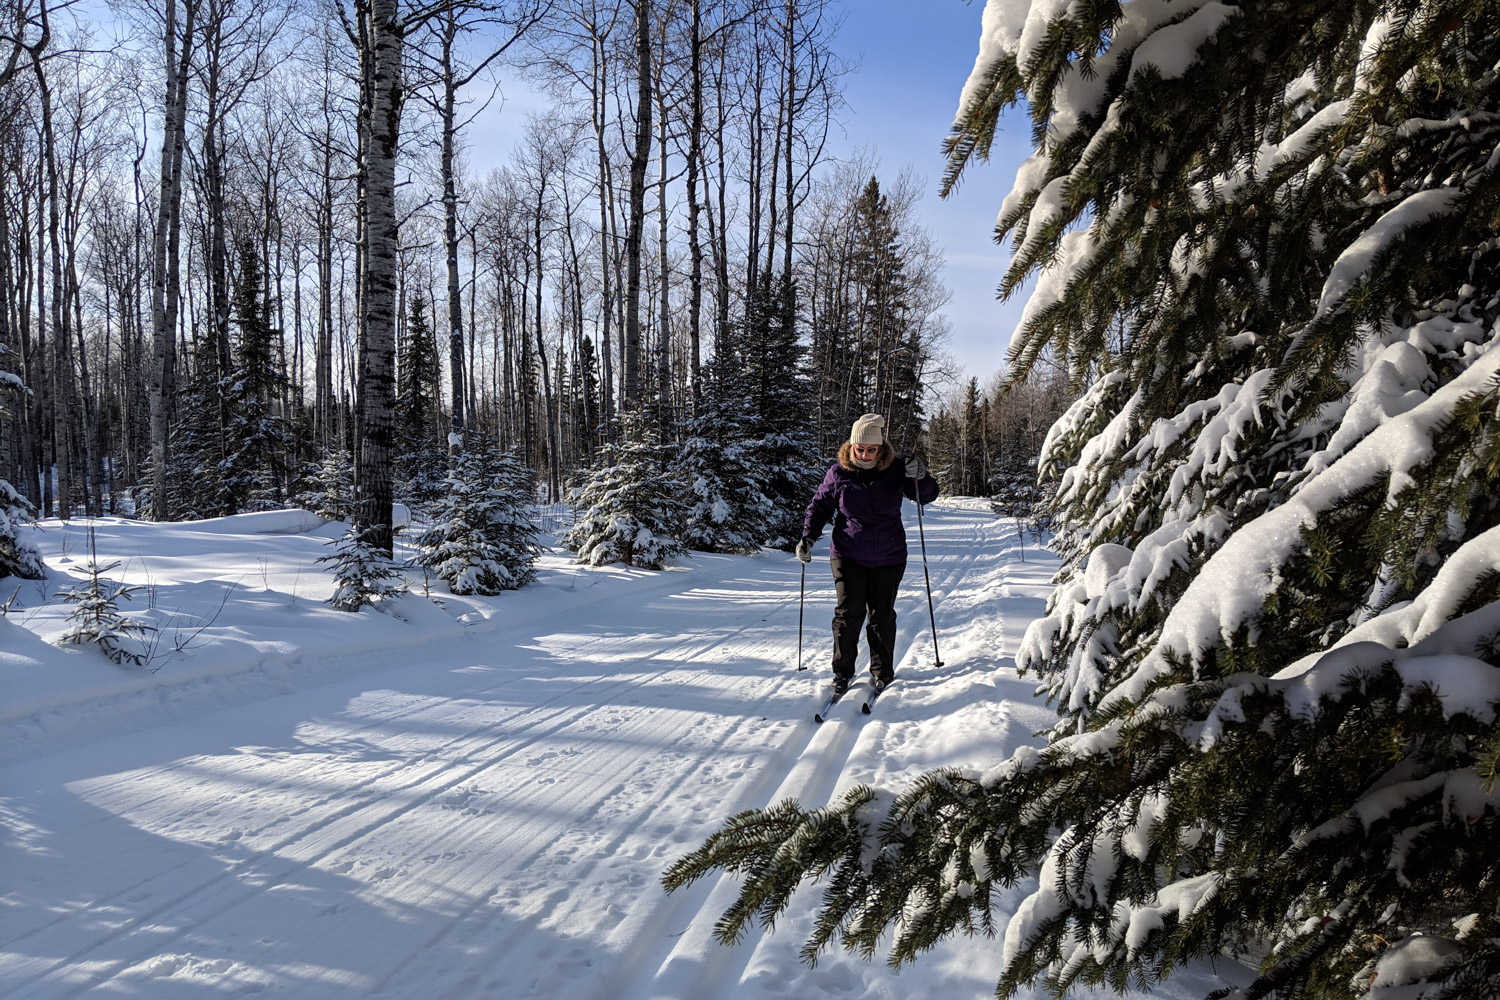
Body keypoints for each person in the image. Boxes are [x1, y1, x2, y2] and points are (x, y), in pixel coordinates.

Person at [796, 413, 939, 696]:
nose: (864, 454)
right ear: (850, 446)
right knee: (849, 614)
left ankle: (882, 671)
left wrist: (921, 477)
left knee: (881, 616)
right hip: (848, 554)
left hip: (889, 554)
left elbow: (927, 494)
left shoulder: (897, 469)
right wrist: (808, 537)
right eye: (858, 449)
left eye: (870, 449)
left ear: (881, 448)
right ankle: (842, 673)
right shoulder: (838, 473)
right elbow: (820, 505)